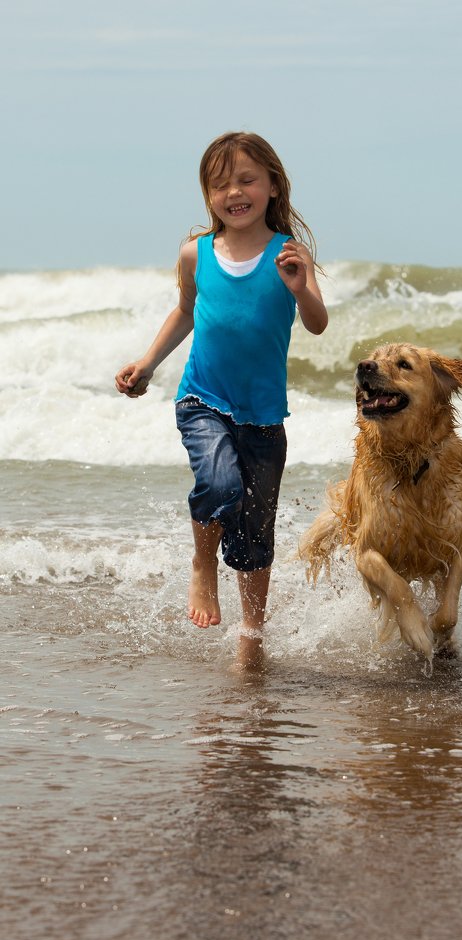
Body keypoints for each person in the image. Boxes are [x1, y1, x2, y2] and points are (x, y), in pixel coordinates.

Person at [115, 132, 328, 669]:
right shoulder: (196, 254)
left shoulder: (287, 255)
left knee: (257, 531)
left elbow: (318, 324)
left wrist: (302, 286)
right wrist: (147, 364)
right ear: (208, 196)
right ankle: (203, 567)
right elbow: (185, 312)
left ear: (272, 185)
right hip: (202, 398)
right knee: (219, 483)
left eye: (247, 180)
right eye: (220, 184)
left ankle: (250, 638)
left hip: (262, 415)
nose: (235, 192)